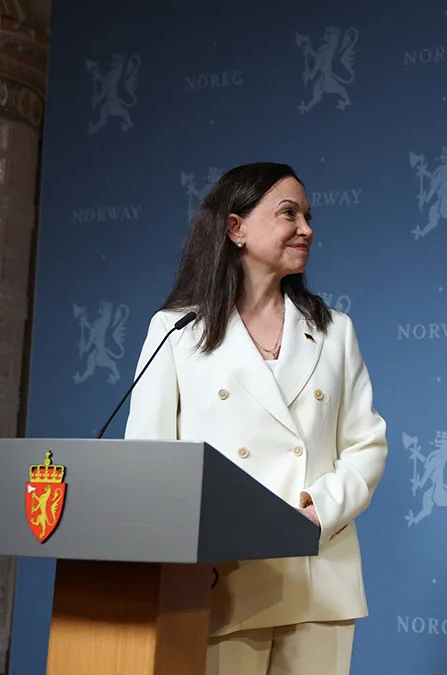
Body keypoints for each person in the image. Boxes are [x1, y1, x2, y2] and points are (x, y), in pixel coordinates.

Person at [123, 162, 388, 675]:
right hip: (218, 580)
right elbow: (149, 458)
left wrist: (317, 510)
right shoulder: (176, 330)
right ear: (235, 227)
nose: (306, 228)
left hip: (318, 575)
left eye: (308, 216)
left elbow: (367, 445)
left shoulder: (335, 330)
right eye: (288, 213)